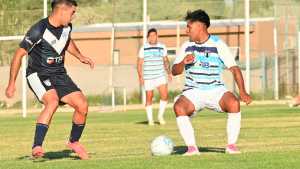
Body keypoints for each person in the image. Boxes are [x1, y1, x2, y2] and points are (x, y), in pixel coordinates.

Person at [5, 0, 94, 160]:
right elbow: (18, 55)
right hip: (38, 74)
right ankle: (37, 146)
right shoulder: (38, 30)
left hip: (59, 74)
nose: (73, 16)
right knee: (52, 101)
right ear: (61, 11)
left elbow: (66, 41)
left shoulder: (67, 27)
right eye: (72, 12)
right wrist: (11, 83)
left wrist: (80, 56)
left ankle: (74, 142)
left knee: (82, 105)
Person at [172, 9, 252, 156]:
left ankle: (231, 146)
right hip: (193, 91)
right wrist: (183, 62)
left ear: (200, 26)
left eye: (189, 27)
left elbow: (234, 69)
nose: (186, 31)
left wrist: (243, 92)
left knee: (234, 103)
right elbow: (174, 71)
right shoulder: (186, 46)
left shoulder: (218, 44)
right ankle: (192, 148)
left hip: (216, 90)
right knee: (179, 107)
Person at [137, 28, 172, 125]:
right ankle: (150, 120)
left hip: (160, 76)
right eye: (150, 36)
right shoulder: (143, 48)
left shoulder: (162, 47)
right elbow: (139, 64)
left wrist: (169, 73)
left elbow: (165, 61)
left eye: (154, 35)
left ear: (157, 36)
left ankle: (160, 117)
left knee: (165, 96)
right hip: (148, 77)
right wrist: (140, 77)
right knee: (149, 97)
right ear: (148, 38)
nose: (153, 37)